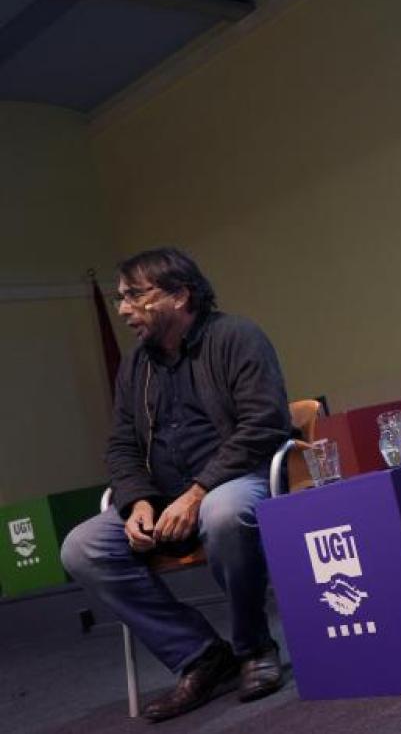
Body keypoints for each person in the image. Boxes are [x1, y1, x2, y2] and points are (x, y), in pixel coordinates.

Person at [61, 248, 292, 721]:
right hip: (165, 499)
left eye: (134, 296)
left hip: (236, 479)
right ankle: (201, 656)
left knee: (224, 513)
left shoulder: (237, 337)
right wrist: (137, 501)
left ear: (180, 295)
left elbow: (264, 424)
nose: (123, 309)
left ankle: (254, 648)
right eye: (120, 299)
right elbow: (121, 445)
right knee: (81, 548)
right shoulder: (135, 366)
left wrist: (198, 492)